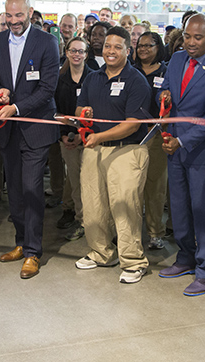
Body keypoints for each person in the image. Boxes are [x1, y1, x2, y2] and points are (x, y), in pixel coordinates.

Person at [157, 14, 205, 296]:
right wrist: (163, 97)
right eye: (187, 36)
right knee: (179, 209)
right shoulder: (177, 59)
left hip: (203, 153)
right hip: (174, 149)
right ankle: (185, 257)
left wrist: (182, 140)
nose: (190, 42)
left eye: (198, 37)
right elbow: (166, 90)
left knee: (202, 212)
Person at [0, 0, 59, 279]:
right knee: (14, 191)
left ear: (30, 12)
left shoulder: (47, 42)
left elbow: (47, 89)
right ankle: (20, 241)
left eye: (20, 15)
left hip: (35, 128)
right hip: (8, 131)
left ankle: (32, 252)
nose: (14, 21)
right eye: (10, 16)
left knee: (31, 190)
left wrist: (15, 106)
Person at [74, 26, 151, 284]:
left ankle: (133, 261)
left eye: (118, 47)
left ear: (128, 51)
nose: (111, 51)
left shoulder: (136, 80)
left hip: (127, 151)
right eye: (108, 46)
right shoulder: (92, 78)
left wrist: (100, 136)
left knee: (125, 207)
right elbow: (80, 108)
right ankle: (101, 252)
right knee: (93, 207)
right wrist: (82, 117)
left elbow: (132, 124)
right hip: (94, 150)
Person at [134, 31, 169, 251]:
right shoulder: (129, 70)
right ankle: (132, 231)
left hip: (156, 135)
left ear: (159, 47)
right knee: (132, 186)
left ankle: (155, 232)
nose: (144, 49)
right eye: (140, 45)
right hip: (131, 134)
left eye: (149, 45)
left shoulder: (167, 71)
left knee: (155, 185)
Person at [56, 37, 92, 241]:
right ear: (67, 52)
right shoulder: (59, 80)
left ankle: (86, 220)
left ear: (87, 54)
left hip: (89, 137)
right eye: (73, 51)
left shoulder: (94, 78)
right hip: (66, 139)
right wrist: (64, 135)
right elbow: (55, 111)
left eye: (81, 51)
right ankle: (82, 221)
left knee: (85, 181)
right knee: (76, 181)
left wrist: (82, 135)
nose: (77, 55)